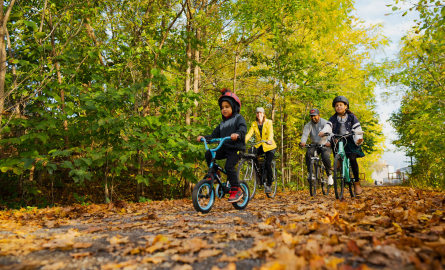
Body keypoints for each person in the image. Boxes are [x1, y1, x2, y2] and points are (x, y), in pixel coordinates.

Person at [197, 88, 247, 203]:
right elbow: (213, 135)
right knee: (209, 153)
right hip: (224, 148)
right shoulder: (222, 124)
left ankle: (236, 189)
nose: (224, 109)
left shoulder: (238, 118)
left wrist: (237, 134)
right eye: (222, 107)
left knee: (229, 166)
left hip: (236, 148)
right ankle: (215, 174)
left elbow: (243, 128)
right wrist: (204, 138)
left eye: (227, 107)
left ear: (234, 107)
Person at [318, 96, 365, 195]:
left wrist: (358, 140)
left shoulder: (352, 117)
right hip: (339, 139)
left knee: (352, 159)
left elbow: (357, 129)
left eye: (341, 105)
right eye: (336, 105)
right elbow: (328, 126)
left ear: (346, 106)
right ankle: (338, 160)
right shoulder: (333, 118)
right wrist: (323, 131)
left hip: (351, 140)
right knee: (335, 142)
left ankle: (357, 183)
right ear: (334, 107)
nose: (338, 107)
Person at [245, 107, 277, 193]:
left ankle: (269, 185)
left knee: (267, 163)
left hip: (270, 146)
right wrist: (243, 141)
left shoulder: (268, 122)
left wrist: (269, 140)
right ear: (256, 114)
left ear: (263, 114)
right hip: (260, 145)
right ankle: (258, 172)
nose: (259, 114)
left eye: (260, 113)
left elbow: (271, 132)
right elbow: (249, 134)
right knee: (250, 152)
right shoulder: (254, 124)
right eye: (257, 113)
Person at [299, 108, 333, 185]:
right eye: (311, 116)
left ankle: (329, 175)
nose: (313, 118)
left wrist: (329, 142)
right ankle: (311, 173)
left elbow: (330, 133)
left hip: (325, 144)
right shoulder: (308, 125)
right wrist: (303, 142)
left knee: (325, 158)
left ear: (319, 115)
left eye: (315, 116)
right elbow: (305, 134)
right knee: (308, 153)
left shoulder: (325, 123)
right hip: (314, 144)